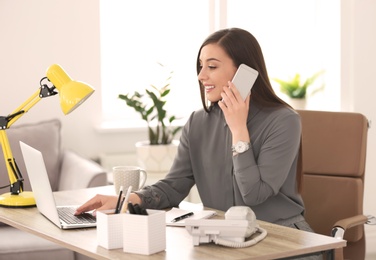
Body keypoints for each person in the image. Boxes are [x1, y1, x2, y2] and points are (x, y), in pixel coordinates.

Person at [76, 27, 316, 245]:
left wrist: (238, 130)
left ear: (246, 72)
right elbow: (174, 187)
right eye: (200, 66)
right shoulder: (198, 122)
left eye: (211, 67)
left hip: (280, 236)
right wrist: (128, 200)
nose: (201, 76)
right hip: (225, 238)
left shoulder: (283, 121)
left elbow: (254, 194)